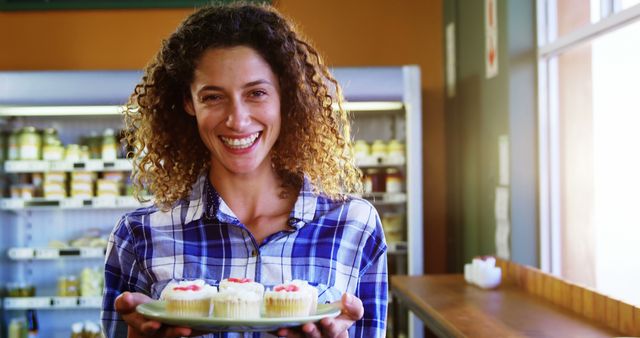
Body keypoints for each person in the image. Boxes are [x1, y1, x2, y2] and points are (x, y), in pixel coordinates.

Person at [101, 3, 388, 338]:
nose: (237, 120)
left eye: (256, 93)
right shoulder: (139, 235)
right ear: (188, 102)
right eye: (213, 97)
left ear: (285, 96)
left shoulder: (354, 225)